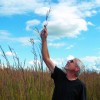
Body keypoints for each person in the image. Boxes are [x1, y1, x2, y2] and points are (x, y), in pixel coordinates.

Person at [41, 27, 87, 100]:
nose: (68, 61)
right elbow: (46, 58)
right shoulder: (59, 75)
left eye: (72, 61)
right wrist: (44, 39)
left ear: (77, 68)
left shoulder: (80, 86)